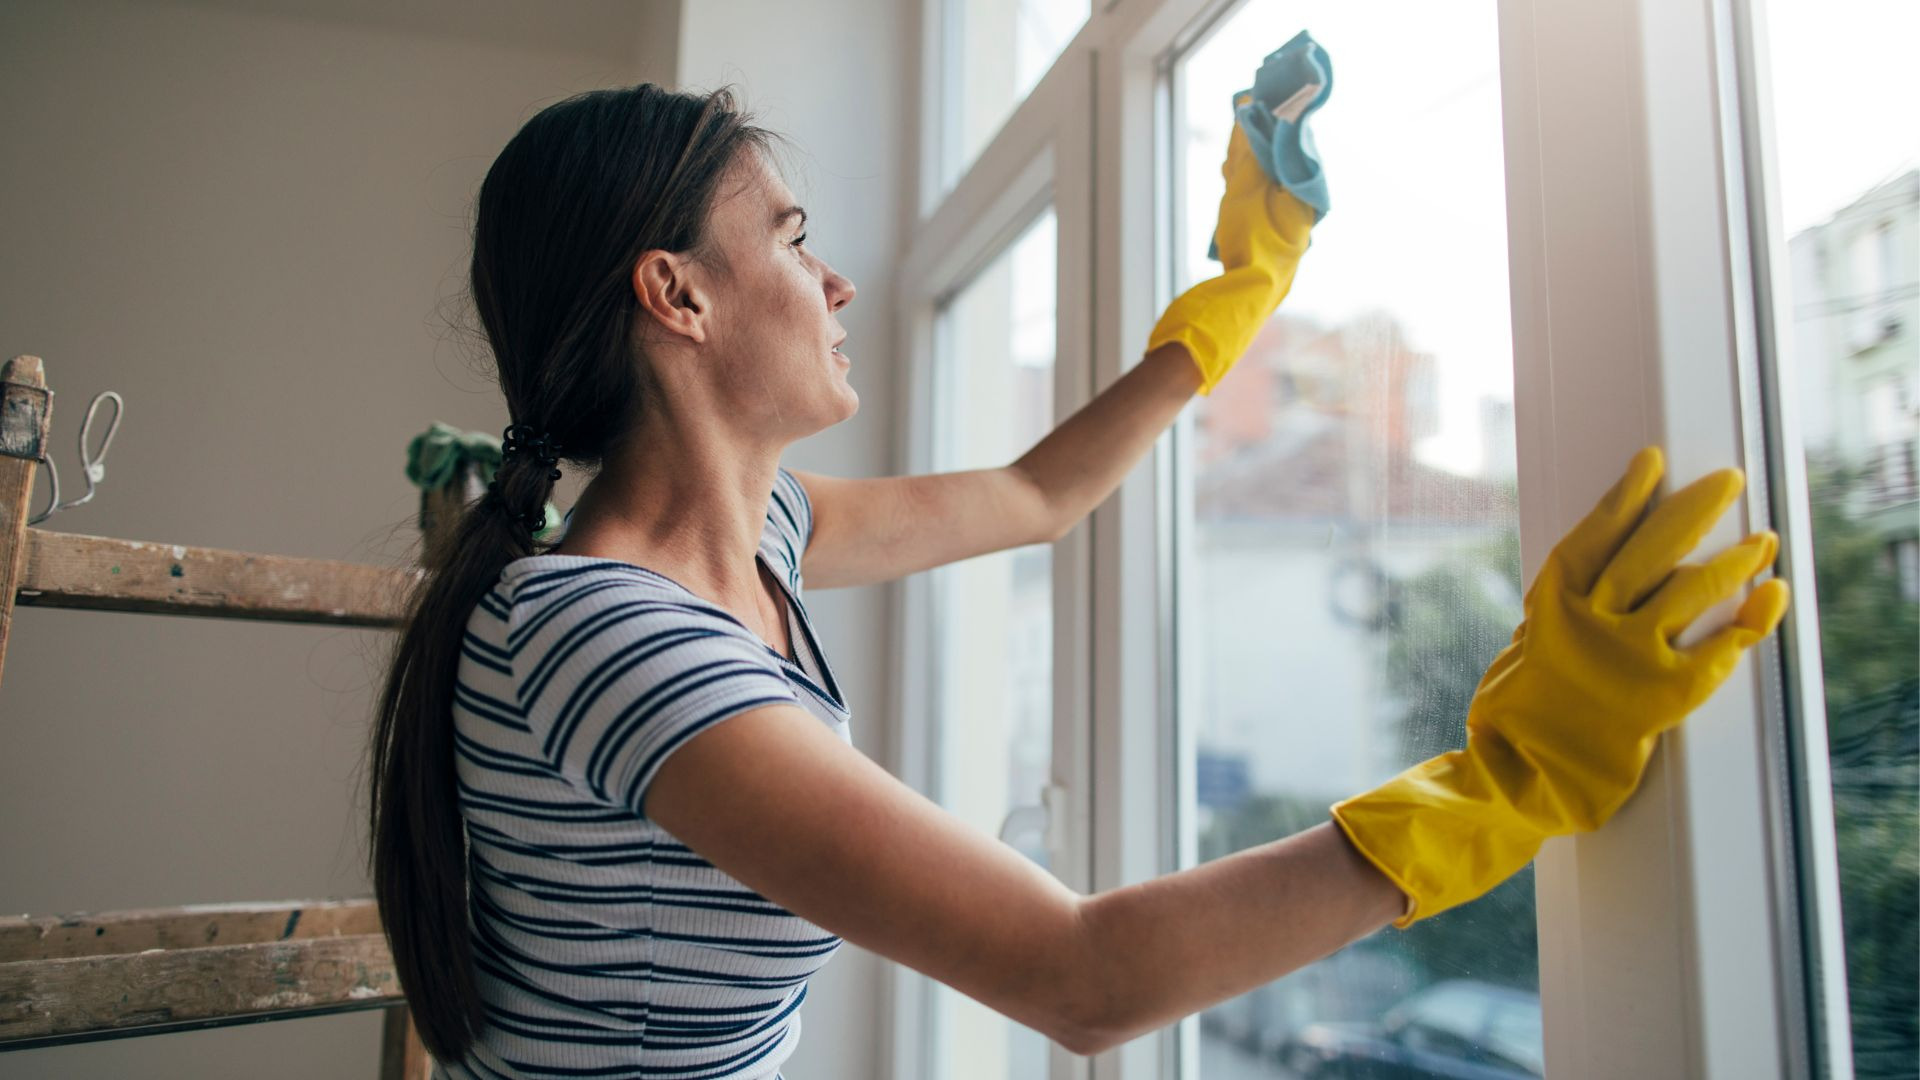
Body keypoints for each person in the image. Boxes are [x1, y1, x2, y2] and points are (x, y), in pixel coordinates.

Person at [366, 82, 1790, 1079]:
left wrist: (1235, 296)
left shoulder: (756, 541)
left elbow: (1037, 496)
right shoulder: (615, 640)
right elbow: (1086, 979)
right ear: (676, 294)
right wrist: (1510, 779)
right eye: (795, 239)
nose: (837, 283)